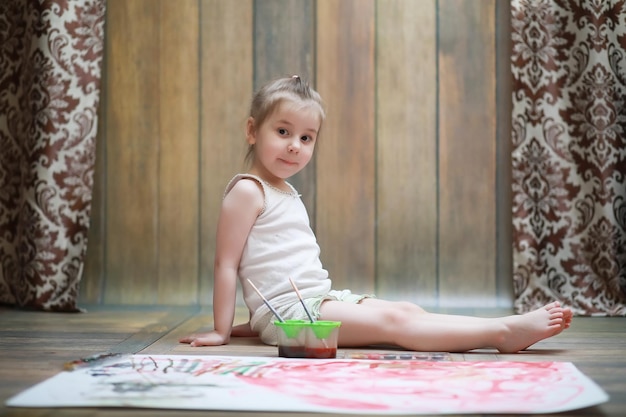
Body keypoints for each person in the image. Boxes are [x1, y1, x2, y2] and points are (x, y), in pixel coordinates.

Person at [180, 75, 573, 353]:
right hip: (296, 313)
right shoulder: (248, 191)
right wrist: (222, 331)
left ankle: (499, 328)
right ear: (252, 131)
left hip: (315, 300)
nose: (295, 146)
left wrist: (257, 319)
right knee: (396, 326)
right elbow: (226, 264)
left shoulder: (284, 190)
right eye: (282, 132)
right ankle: (502, 333)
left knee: (407, 311)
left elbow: (272, 266)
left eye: (306, 137)